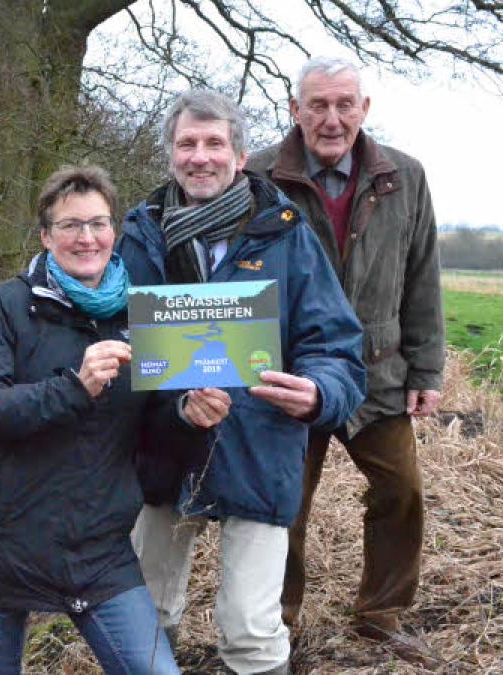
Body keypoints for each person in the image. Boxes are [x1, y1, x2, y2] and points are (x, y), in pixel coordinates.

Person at [0, 165, 230, 674]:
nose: (86, 237)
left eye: (98, 223)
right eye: (71, 225)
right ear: (46, 235)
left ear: (114, 231)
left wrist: (188, 415)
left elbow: (153, 429)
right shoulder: (10, 304)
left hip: (94, 542)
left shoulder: (146, 313)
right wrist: (74, 386)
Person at [120, 90, 366, 675]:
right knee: (145, 615)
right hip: (162, 446)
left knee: (252, 630)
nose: (200, 156)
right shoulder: (137, 236)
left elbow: (335, 345)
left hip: (260, 444)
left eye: (214, 143)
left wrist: (319, 394)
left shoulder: (285, 233)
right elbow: (105, 336)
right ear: (169, 155)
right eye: (187, 144)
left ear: (240, 153)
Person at [246, 57, 444, 652]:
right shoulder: (256, 176)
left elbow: (422, 276)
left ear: (364, 109)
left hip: (377, 371)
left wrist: (426, 367)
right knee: (283, 505)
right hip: (286, 373)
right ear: (294, 111)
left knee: (401, 493)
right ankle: (277, 623)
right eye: (318, 106)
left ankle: (380, 615)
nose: (331, 119)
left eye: (344, 105)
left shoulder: (404, 177)